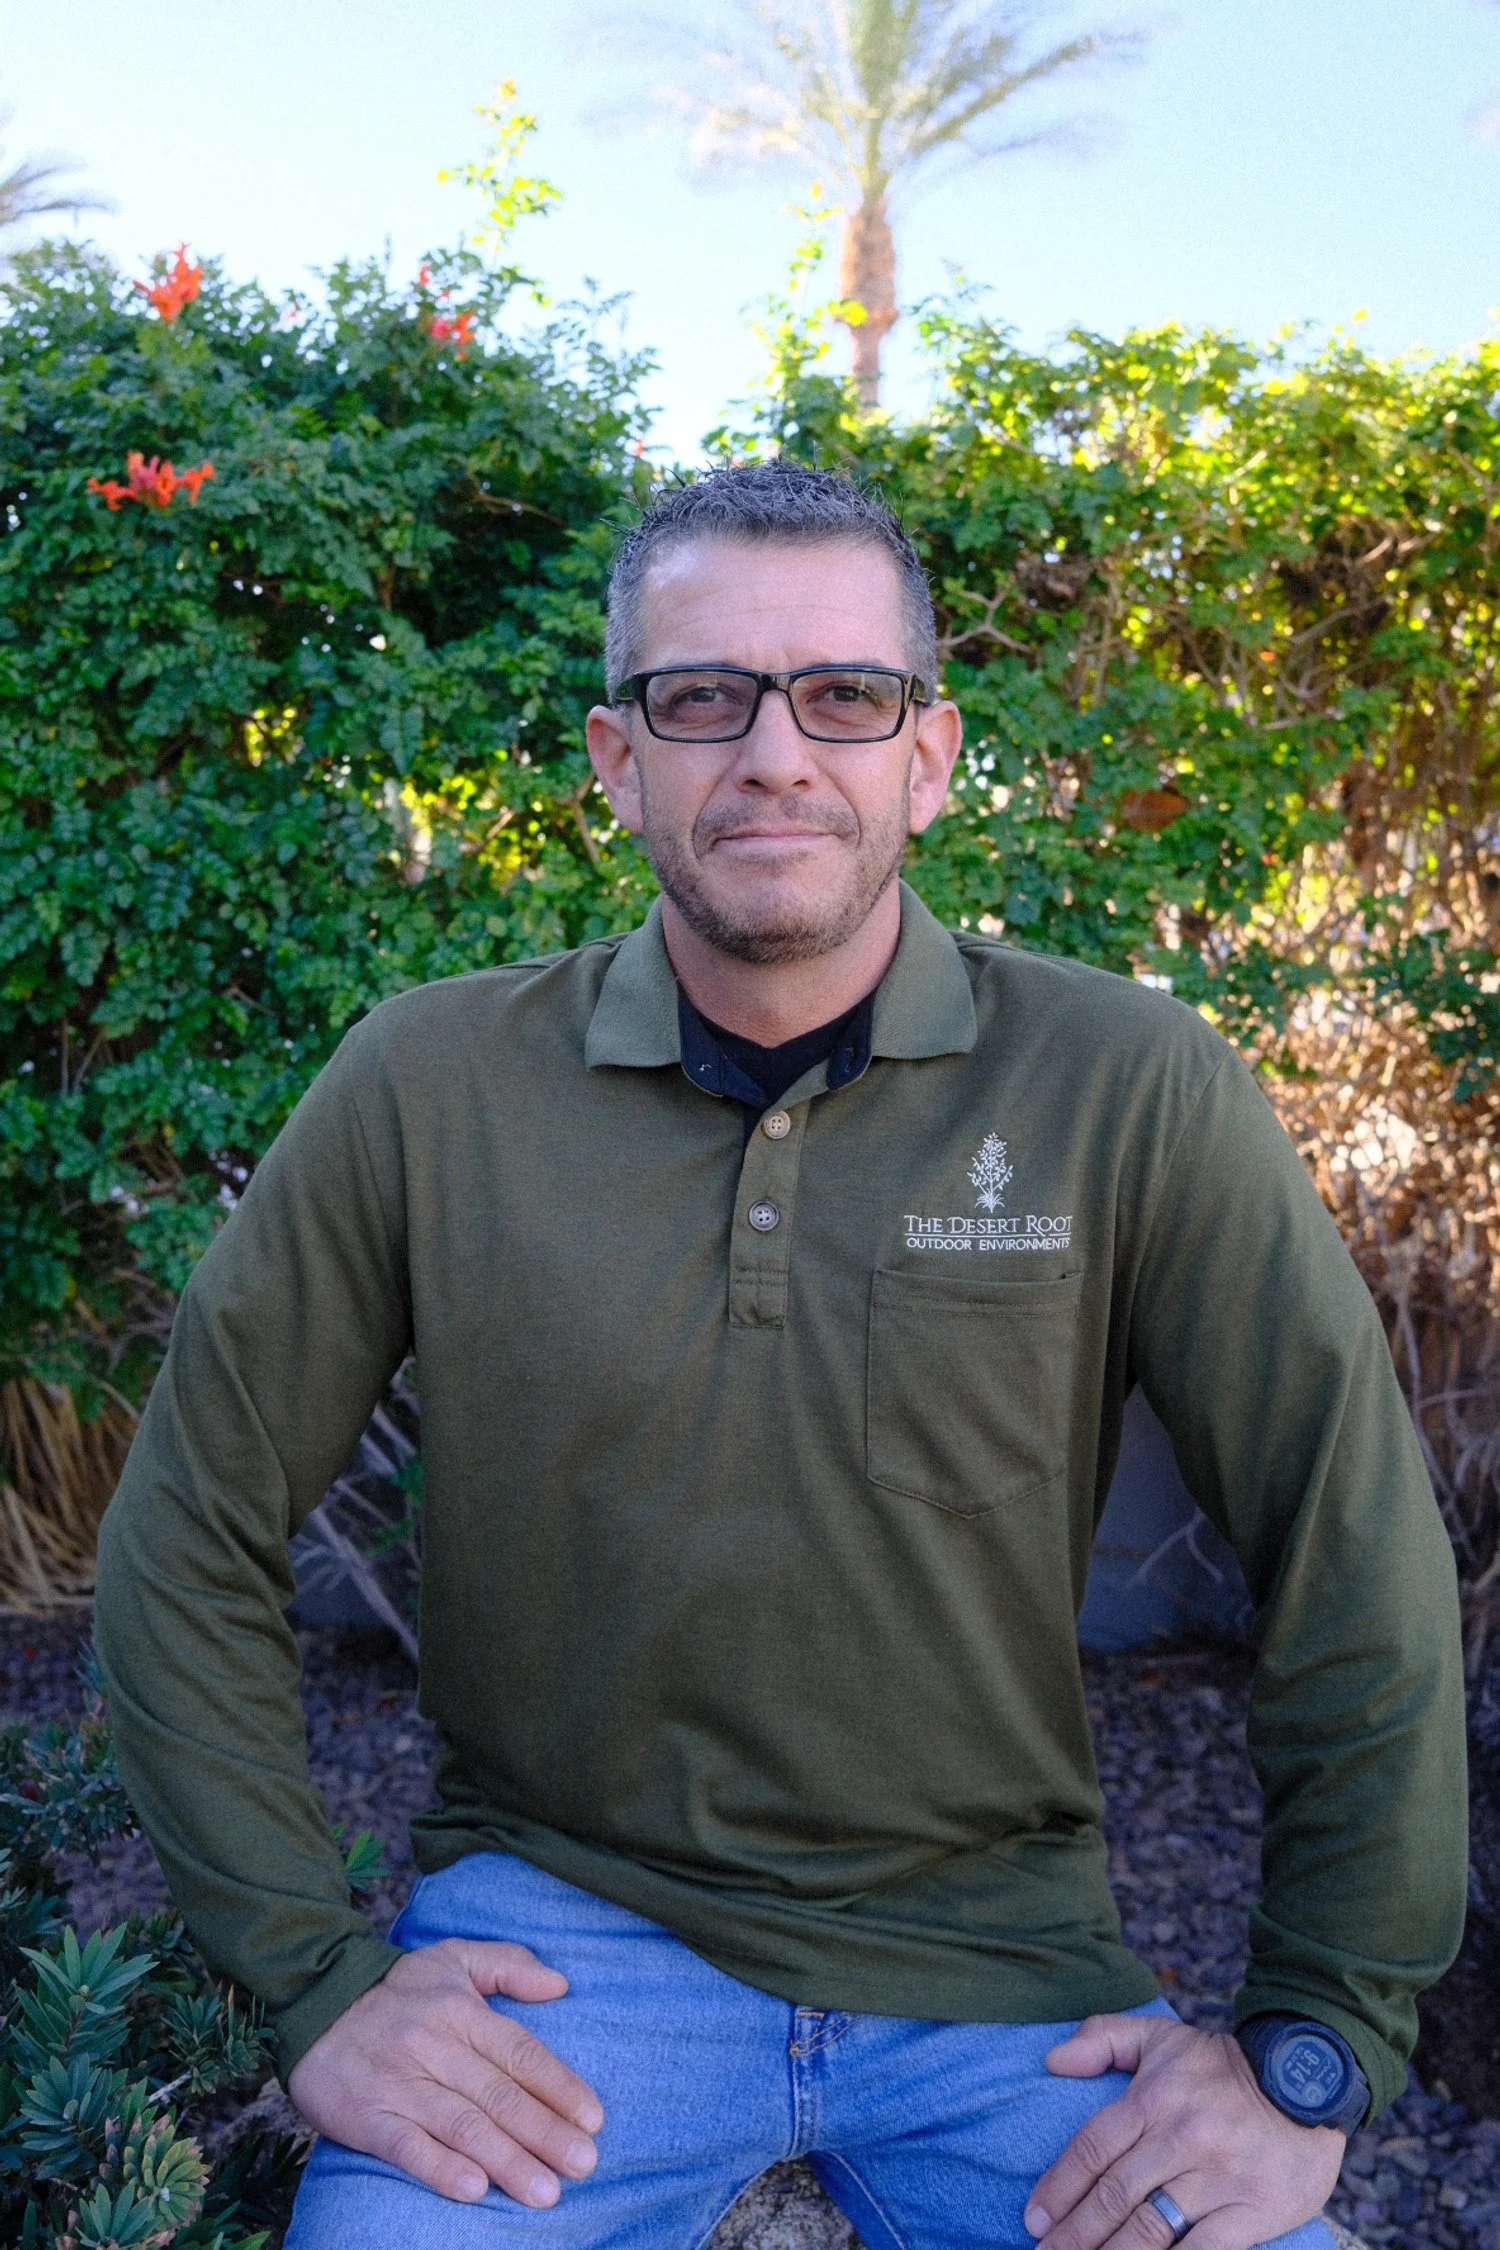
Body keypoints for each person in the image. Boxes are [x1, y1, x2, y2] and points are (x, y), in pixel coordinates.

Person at [95, 463, 1467, 2250]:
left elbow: (1347, 1538)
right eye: (702, 698)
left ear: (929, 755)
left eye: (843, 694)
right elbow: (184, 1530)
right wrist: (317, 1980)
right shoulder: (429, 1086)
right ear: (617, 759)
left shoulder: (1127, 1087)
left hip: (1009, 1991)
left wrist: (1311, 2043)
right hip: (558, 1969)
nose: (773, 753)